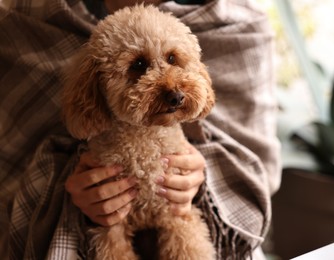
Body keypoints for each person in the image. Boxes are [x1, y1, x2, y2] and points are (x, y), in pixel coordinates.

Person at [0, 0, 281, 259]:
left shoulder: (237, 23)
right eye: (138, 66)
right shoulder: (26, 13)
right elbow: (11, 159)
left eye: (172, 60)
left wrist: (205, 180)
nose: (172, 88)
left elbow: (257, 169)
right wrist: (64, 190)